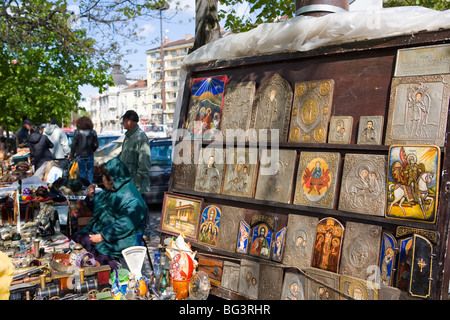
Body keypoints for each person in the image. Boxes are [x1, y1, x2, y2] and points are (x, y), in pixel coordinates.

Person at [70, 157, 147, 270]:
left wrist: (102, 236)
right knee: (76, 240)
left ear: (111, 179)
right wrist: (91, 197)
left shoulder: (131, 198)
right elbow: (101, 208)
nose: (102, 179)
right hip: (102, 230)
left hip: (124, 237)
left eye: (103, 177)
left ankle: (111, 278)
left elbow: (125, 224)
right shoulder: (112, 189)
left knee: (101, 257)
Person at [119, 110, 151, 193]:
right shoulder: (128, 136)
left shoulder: (140, 137)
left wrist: (135, 182)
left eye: (124, 120)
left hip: (136, 187)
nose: (122, 123)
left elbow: (144, 164)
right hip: (128, 184)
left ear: (130, 122)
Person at [69, 116, 99, 184]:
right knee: (90, 172)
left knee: (82, 172)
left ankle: (83, 186)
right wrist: (92, 150)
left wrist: (72, 156)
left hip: (80, 155)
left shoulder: (77, 132)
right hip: (89, 154)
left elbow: (73, 145)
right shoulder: (93, 132)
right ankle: (90, 187)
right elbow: (96, 145)